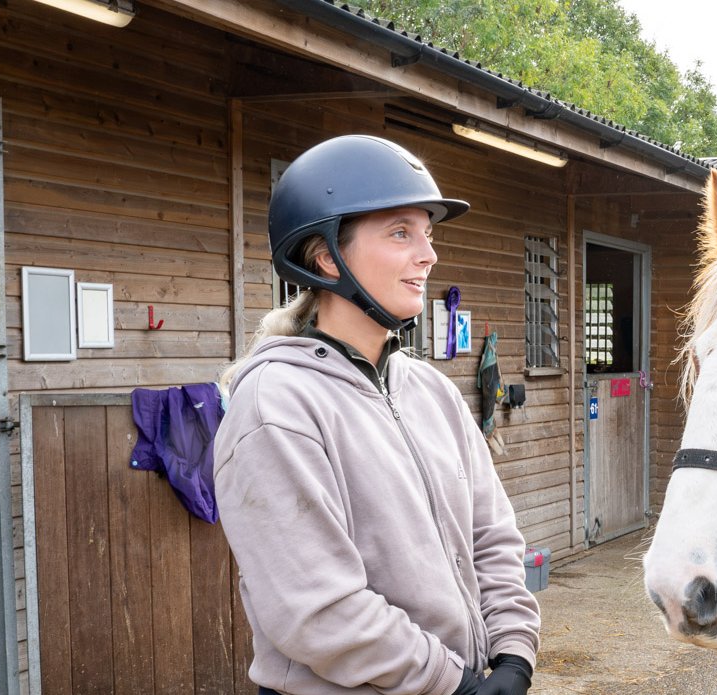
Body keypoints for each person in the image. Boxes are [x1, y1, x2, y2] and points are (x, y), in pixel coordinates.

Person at [214, 134, 540, 695]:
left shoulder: (432, 391)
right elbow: (318, 608)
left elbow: (492, 536)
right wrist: (453, 682)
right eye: (400, 233)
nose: (429, 254)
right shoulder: (277, 406)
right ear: (324, 256)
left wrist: (513, 654)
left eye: (428, 234)